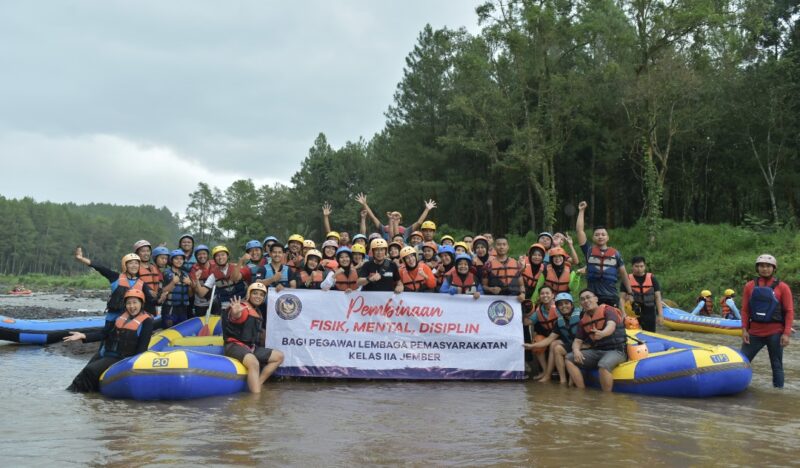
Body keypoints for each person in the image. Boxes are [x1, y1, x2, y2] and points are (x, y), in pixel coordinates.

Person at [64, 289, 154, 392]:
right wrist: (84, 336)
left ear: (141, 303)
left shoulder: (146, 322)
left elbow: (142, 348)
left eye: (135, 302)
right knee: (84, 371)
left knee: (90, 370)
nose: (132, 306)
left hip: (122, 357)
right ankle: (72, 393)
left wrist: (132, 367)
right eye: (128, 303)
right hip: (107, 353)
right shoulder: (120, 317)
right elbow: (104, 333)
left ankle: (79, 394)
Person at [741, 254, 793, 388]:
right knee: (741, 362)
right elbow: (745, 310)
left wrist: (786, 333)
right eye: (762, 266)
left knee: (777, 365)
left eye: (768, 266)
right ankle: (736, 387)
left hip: (775, 333)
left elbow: (789, 311)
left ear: (774, 269)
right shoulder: (749, 286)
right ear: (757, 268)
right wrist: (744, 330)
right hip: (754, 333)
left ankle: (778, 394)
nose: (765, 269)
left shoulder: (783, 287)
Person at [223, 283, 284, 393]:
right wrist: (235, 313)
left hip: (250, 347)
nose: (258, 296)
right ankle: (255, 398)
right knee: (253, 362)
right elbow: (236, 316)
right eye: (255, 293)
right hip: (234, 345)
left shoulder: (257, 311)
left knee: (279, 356)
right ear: (249, 294)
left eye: (261, 295)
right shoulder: (242, 308)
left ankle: (258, 384)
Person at [565, 289, 627, 392]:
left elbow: (611, 325)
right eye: (582, 299)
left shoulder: (608, 310)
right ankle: (581, 391)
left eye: (588, 297)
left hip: (617, 350)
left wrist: (603, 333)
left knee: (603, 365)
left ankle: (606, 397)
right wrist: (576, 350)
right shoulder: (583, 321)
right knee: (569, 358)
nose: (586, 301)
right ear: (581, 303)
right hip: (597, 351)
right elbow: (577, 341)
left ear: (596, 299)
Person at [576, 201, 633, 306]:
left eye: (603, 234)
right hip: (593, 297)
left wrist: (630, 292)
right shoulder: (589, 251)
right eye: (597, 235)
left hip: (611, 295)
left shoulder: (615, 254)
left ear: (607, 238)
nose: (600, 236)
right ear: (593, 238)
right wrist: (581, 211)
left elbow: (623, 274)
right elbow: (580, 231)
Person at [73, 247, 158, 316]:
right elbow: (100, 267)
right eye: (131, 263)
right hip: (114, 316)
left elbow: (151, 301)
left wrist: (161, 298)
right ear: (125, 265)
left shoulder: (142, 283)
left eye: (136, 263)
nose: (134, 266)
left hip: (131, 316)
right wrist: (81, 259)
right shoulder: (115, 277)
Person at [524, 291, 580, 384]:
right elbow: (549, 339)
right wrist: (532, 346)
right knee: (554, 344)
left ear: (572, 304)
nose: (564, 306)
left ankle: (564, 379)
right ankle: (560, 380)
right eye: (560, 304)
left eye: (566, 303)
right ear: (557, 307)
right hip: (569, 342)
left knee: (557, 347)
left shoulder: (581, 315)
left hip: (582, 345)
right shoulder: (559, 321)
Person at [355, 193, 436, 241]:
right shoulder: (384, 229)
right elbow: (373, 217)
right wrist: (364, 204)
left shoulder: (405, 231)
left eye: (397, 216)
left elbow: (419, 222)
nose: (394, 218)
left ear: (400, 220)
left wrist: (427, 209)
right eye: (392, 216)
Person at [196, 246, 251, 313]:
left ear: (227, 256)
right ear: (214, 259)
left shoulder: (237, 267)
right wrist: (196, 280)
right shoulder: (213, 275)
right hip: (225, 306)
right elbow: (201, 293)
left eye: (223, 255)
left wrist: (241, 261)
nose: (220, 257)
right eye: (217, 256)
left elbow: (235, 278)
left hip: (243, 303)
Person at [621, 256, 663, 331]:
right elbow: (622, 298)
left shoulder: (652, 278)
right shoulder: (627, 279)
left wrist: (660, 314)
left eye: (641, 266)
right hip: (633, 313)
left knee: (650, 334)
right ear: (632, 266)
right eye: (636, 266)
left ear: (645, 266)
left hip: (649, 312)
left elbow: (658, 297)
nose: (639, 269)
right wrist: (623, 313)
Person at [527, 286, 559, 379]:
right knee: (537, 340)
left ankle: (550, 373)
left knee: (554, 344)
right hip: (548, 336)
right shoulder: (538, 310)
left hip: (560, 336)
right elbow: (527, 322)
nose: (545, 295)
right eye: (542, 294)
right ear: (539, 296)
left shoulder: (559, 307)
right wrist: (525, 312)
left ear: (552, 295)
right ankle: (544, 371)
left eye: (547, 293)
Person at [481, 236, 524, 301]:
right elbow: (484, 286)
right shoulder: (488, 265)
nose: (501, 247)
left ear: (508, 247)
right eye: (499, 245)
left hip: (514, 300)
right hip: (495, 300)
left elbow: (521, 285)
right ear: (495, 247)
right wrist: (491, 289)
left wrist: (523, 294)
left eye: (504, 244)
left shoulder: (516, 264)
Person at [160, 250, 193, 327]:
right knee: (168, 329)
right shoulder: (166, 273)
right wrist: (173, 282)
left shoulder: (186, 275)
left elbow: (190, 295)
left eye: (181, 259)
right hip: (170, 308)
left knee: (182, 330)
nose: (179, 261)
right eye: (176, 258)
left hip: (183, 308)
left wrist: (190, 284)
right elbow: (161, 291)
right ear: (171, 260)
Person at [132, 239, 163, 313]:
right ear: (137, 253)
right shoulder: (134, 268)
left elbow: (159, 284)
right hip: (139, 304)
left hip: (153, 304)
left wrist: (159, 295)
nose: (146, 253)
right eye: (143, 251)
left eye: (148, 251)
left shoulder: (153, 267)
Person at [190, 244, 213, 317]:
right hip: (200, 304)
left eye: (204, 254)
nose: (202, 256)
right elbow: (194, 289)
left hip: (214, 302)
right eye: (199, 254)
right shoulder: (194, 269)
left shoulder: (214, 264)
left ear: (208, 255)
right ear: (196, 256)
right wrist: (196, 279)